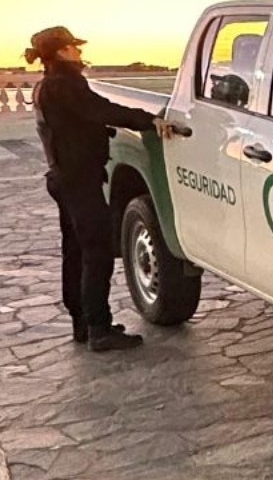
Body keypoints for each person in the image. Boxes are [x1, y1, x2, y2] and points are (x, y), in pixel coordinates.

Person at [26, 26, 179, 352]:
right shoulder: (65, 85)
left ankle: (82, 323)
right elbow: (102, 110)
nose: (79, 52)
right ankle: (99, 328)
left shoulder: (46, 86)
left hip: (64, 179)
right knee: (96, 253)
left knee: (75, 252)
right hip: (79, 181)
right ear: (62, 51)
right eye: (73, 47)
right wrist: (149, 120)